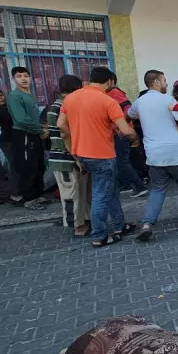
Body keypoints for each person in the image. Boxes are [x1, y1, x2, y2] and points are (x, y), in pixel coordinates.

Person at [58, 67, 139, 248]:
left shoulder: (70, 98)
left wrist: (77, 139)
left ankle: (119, 225)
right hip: (102, 154)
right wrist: (135, 137)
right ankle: (99, 235)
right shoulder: (107, 101)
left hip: (81, 154)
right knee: (101, 195)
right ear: (110, 81)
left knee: (110, 190)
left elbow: (61, 125)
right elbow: (125, 130)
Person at [128, 70, 178, 242]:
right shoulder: (169, 100)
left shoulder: (139, 102)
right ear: (157, 82)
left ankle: (147, 224)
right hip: (175, 152)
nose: (166, 84)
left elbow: (130, 115)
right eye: (164, 81)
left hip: (154, 155)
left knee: (157, 190)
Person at [46, 75, 92, 236]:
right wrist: (77, 157)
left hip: (73, 157)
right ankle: (77, 227)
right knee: (71, 195)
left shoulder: (62, 104)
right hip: (66, 159)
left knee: (82, 193)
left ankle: (85, 221)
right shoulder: (61, 106)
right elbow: (65, 134)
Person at [7, 66, 48, 208]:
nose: (23, 79)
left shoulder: (30, 95)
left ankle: (38, 195)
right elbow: (21, 119)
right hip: (24, 134)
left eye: (26, 76)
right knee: (28, 166)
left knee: (39, 165)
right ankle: (29, 198)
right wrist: (40, 130)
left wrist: (42, 128)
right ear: (13, 79)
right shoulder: (14, 96)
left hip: (34, 133)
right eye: (19, 76)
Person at [106, 73, 148, 198]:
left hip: (122, 133)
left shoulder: (114, 92)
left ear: (111, 81)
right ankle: (130, 185)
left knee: (122, 161)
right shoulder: (111, 93)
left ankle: (139, 186)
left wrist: (121, 125)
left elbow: (127, 107)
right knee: (122, 161)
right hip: (120, 132)